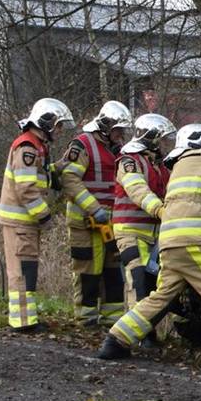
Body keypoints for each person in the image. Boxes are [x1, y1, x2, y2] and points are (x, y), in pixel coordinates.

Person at [98, 124, 201, 369]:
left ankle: (116, 340)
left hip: (169, 244)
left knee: (161, 296)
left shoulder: (177, 167)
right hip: (197, 240)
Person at [0, 98, 74, 333]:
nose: (59, 131)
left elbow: (43, 174)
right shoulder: (28, 147)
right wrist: (44, 216)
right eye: (58, 126)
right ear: (46, 122)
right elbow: (26, 188)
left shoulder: (37, 146)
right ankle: (22, 322)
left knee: (28, 270)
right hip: (21, 221)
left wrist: (62, 163)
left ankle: (26, 319)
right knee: (21, 272)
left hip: (25, 222)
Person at [59, 100, 132, 327]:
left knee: (112, 271)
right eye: (118, 130)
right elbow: (69, 178)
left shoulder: (117, 150)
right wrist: (95, 208)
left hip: (110, 222)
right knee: (87, 270)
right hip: (85, 222)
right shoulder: (82, 145)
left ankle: (112, 319)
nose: (121, 135)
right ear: (106, 126)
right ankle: (86, 318)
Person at [112, 114, 176, 329]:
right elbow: (137, 189)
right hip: (131, 231)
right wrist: (160, 209)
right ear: (152, 139)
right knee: (137, 281)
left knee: (152, 284)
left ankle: (145, 332)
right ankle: (135, 334)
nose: (166, 145)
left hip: (155, 234)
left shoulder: (160, 164)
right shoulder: (129, 161)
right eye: (163, 140)